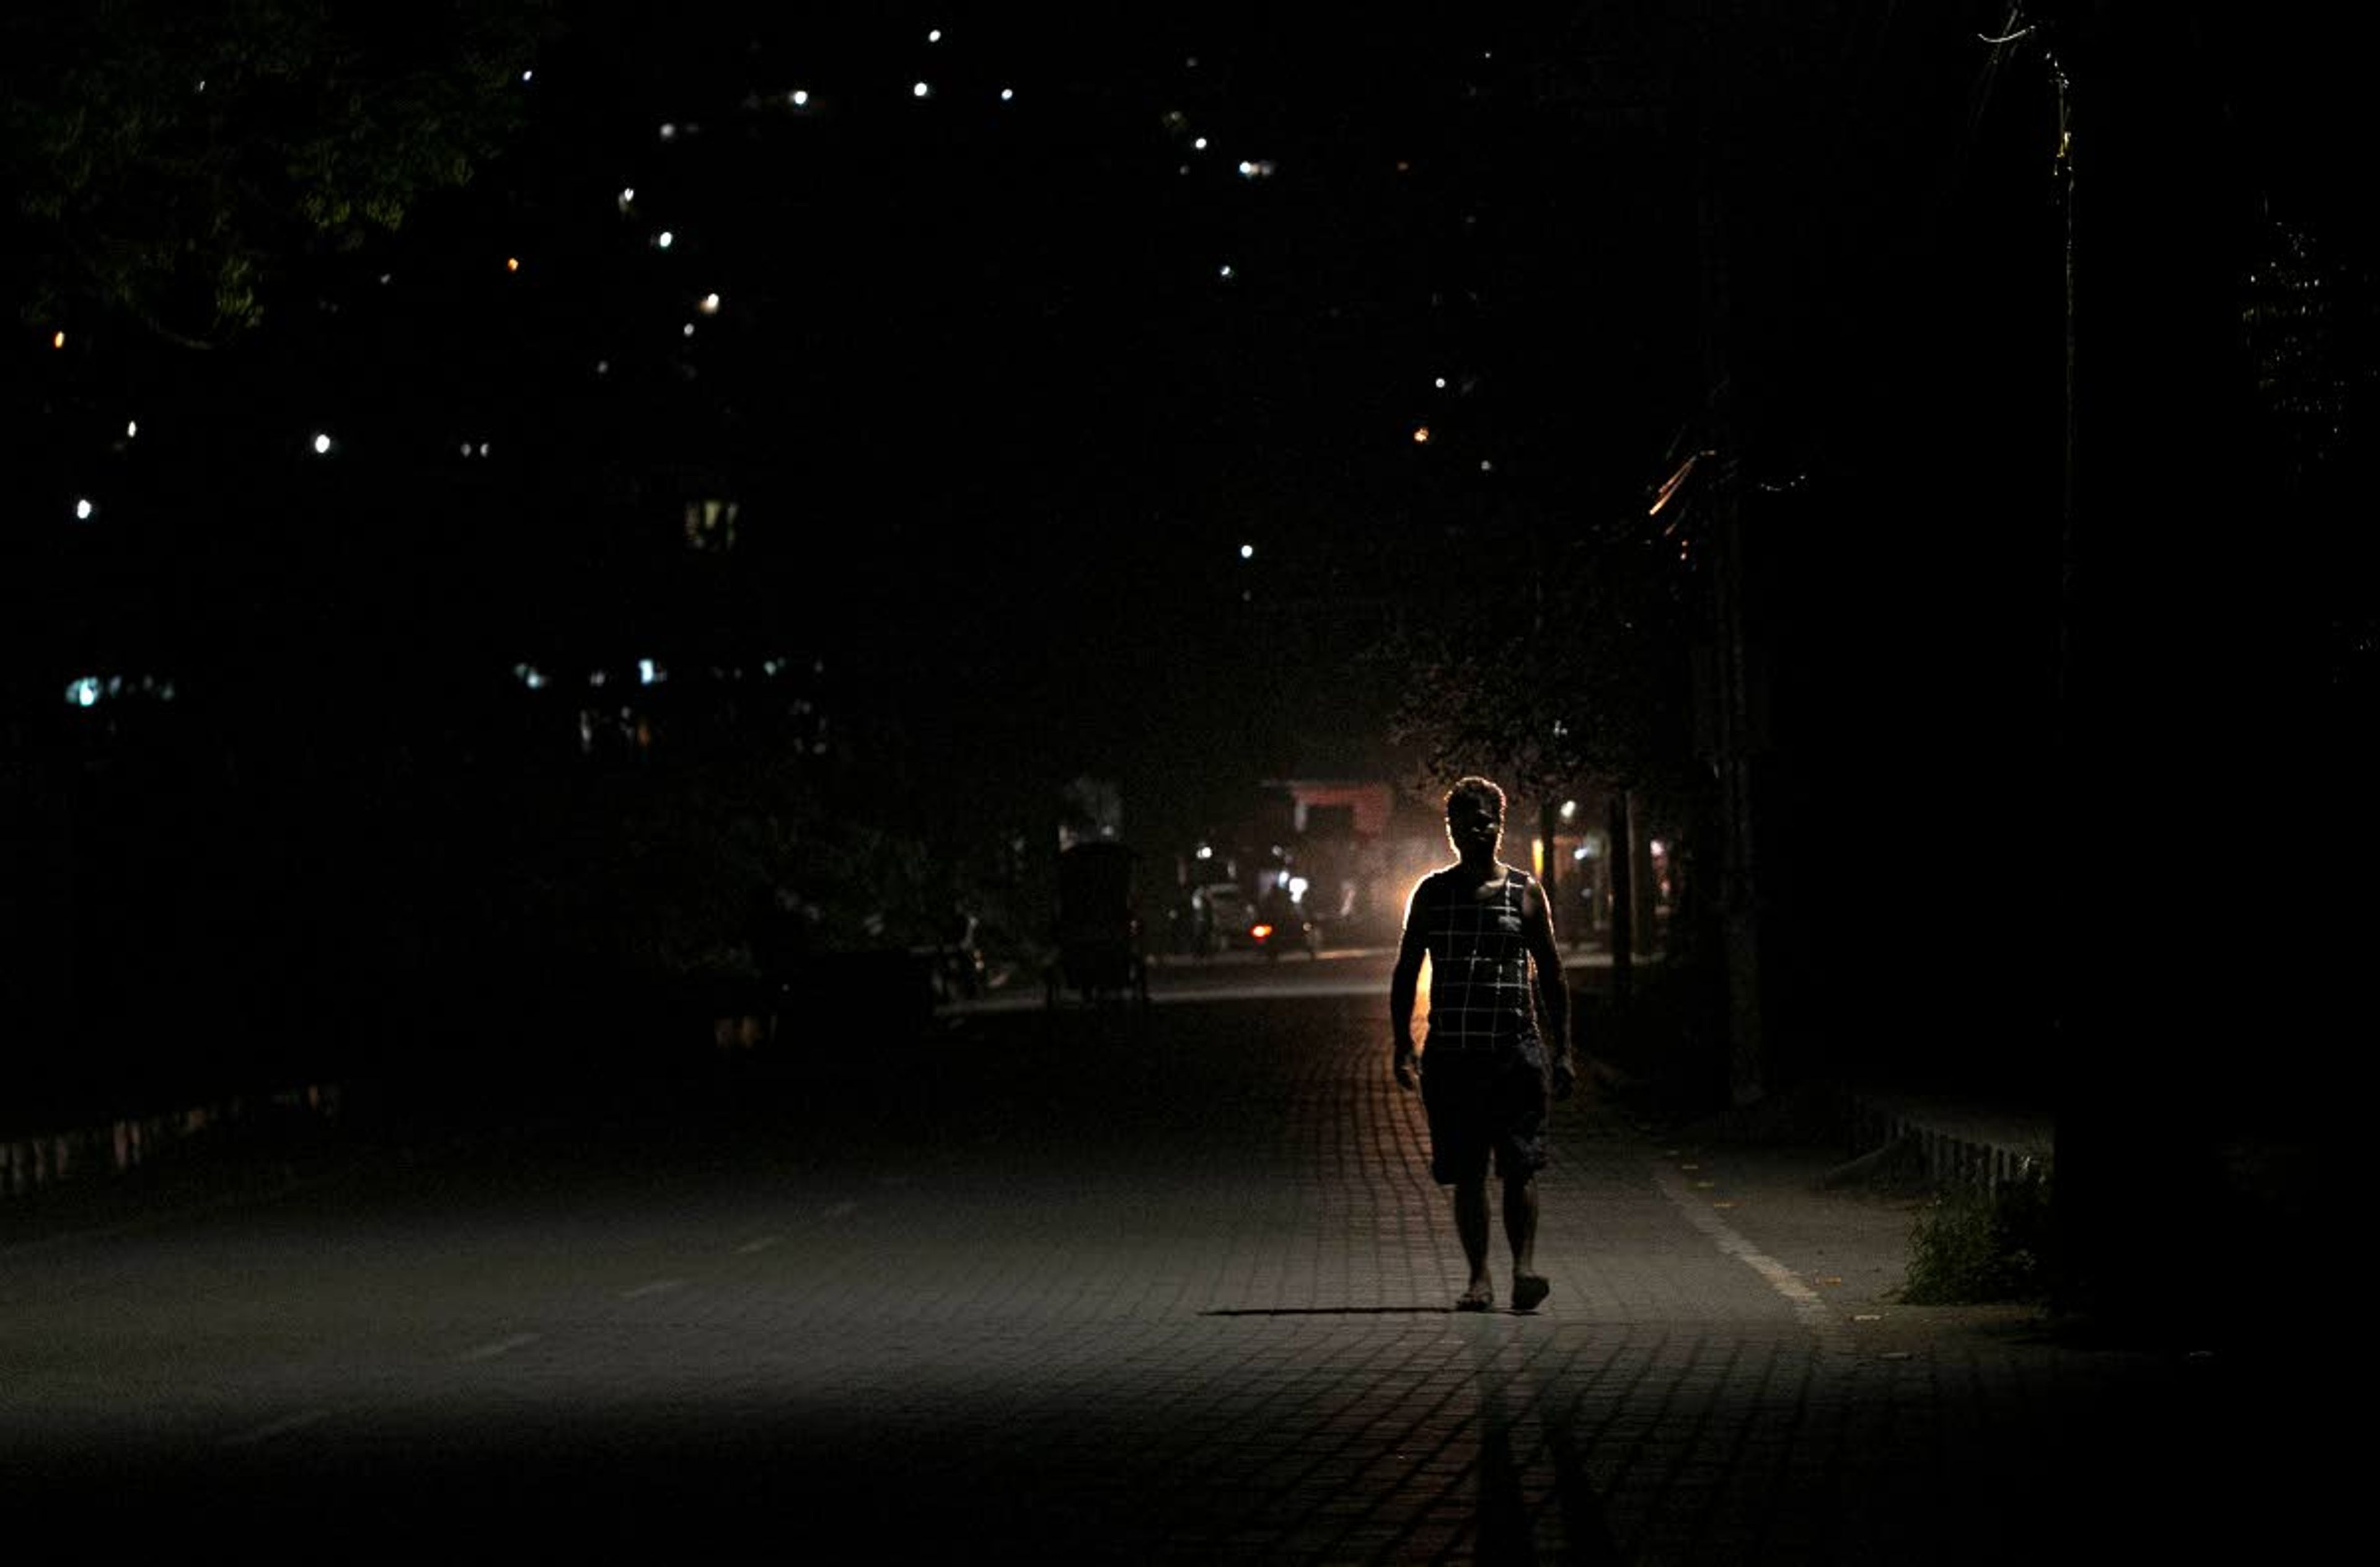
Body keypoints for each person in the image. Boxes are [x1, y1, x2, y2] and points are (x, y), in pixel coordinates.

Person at [1391, 775, 1576, 1312]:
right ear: (1449, 830)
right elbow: (1406, 972)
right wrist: (1402, 1041)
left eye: (1484, 819)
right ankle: (1479, 1279)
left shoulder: (1525, 892)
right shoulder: (1431, 894)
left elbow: (1552, 974)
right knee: (1468, 1172)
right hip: (1452, 1055)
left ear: (1500, 824)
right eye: (1463, 821)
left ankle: (1523, 1270)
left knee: (1520, 1165)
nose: (1475, 829)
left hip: (1515, 1052)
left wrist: (1563, 1049)